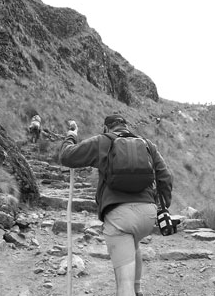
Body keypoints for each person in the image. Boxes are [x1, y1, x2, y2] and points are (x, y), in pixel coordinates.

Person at [59, 114, 173, 296]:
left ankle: (130, 290)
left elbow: (66, 157)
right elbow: (165, 177)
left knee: (123, 285)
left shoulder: (102, 141)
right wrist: (163, 207)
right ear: (126, 126)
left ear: (106, 128)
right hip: (147, 215)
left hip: (119, 217)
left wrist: (71, 135)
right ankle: (138, 290)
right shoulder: (147, 144)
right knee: (133, 243)